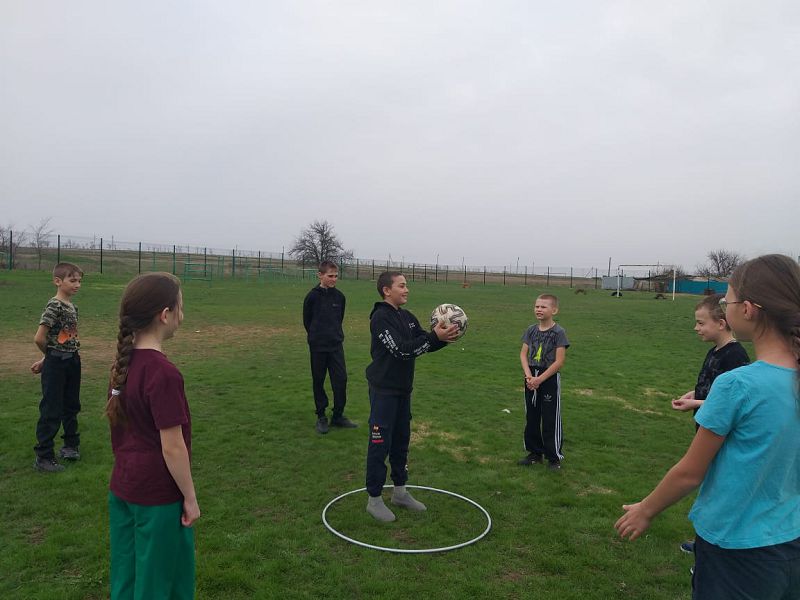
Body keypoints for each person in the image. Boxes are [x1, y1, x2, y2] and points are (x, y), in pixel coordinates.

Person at [615, 254, 800, 600]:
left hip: (735, 550)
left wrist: (646, 510)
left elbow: (690, 472)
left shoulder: (737, 385)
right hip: (790, 542)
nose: (725, 308)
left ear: (748, 310)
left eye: (727, 302)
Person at [106, 273, 199, 600]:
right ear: (165, 314)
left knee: (128, 576)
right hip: (157, 499)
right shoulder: (163, 373)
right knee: (160, 582)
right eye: (180, 307)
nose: (182, 315)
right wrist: (190, 497)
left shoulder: (122, 365)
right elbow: (172, 447)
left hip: (123, 487)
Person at [364, 271, 460, 522]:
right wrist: (433, 338)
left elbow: (422, 342)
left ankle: (400, 492)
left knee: (401, 442)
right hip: (383, 391)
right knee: (379, 444)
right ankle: (374, 499)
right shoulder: (380, 318)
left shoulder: (407, 317)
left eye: (406, 285)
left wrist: (443, 338)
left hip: (403, 390)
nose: (407, 289)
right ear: (387, 290)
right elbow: (401, 351)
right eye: (402, 285)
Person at [670, 294, 749, 556]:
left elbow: (732, 402)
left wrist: (695, 404)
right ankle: (705, 540)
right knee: (710, 487)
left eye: (701, 323)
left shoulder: (735, 355)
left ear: (722, 323)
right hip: (707, 429)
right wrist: (694, 394)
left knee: (717, 488)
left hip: (721, 435)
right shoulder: (715, 350)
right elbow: (711, 387)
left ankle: (713, 544)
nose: (696, 328)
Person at [31, 262, 84, 472]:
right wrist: (50, 358)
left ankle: (70, 446)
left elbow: (63, 339)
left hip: (72, 360)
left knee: (71, 405)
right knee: (51, 409)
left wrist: (45, 359)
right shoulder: (55, 305)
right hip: (57, 362)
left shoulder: (72, 307)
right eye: (72, 280)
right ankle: (44, 457)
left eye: (79, 281)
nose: (77, 284)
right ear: (58, 281)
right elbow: (39, 338)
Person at [302, 260, 356, 434]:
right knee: (318, 380)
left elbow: (339, 319)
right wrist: (317, 336)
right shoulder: (312, 297)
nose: (334, 279)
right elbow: (307, 321)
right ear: (320, 275)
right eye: (330, 276)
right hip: (318, 347)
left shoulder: (340, 297)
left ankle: (338, 415)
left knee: (341, 380)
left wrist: (333, 335)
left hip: (335, 346)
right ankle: (321, 416)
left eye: (336, 276)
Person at [517, 294, 569, 471]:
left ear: (554, 310)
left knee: (550, 418)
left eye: (543, 307)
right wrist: (529, 376)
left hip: (548, 378)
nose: (539, 309)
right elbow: (523, 354)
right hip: (531, 378)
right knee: (531, 417)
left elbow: (559, 362)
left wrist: (540, 379)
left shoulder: (559, 332)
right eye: (537, 306)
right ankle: (534, 453)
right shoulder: (531, 330)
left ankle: (553, 458)